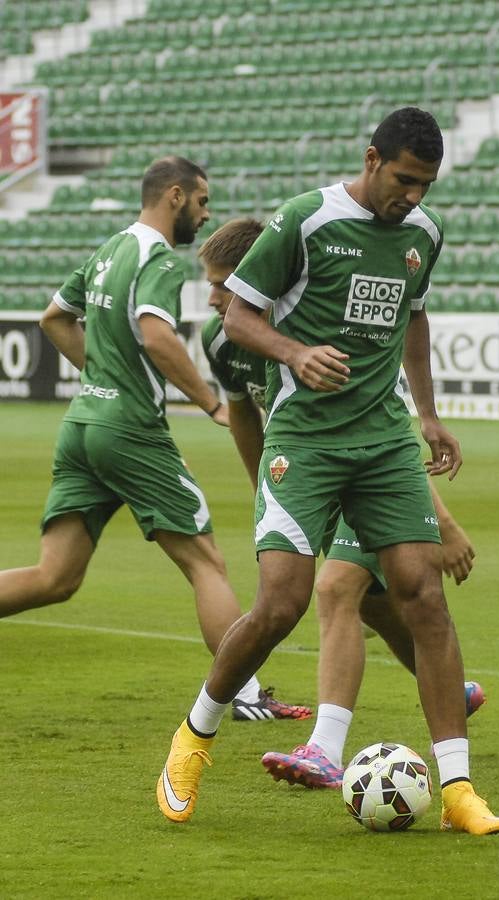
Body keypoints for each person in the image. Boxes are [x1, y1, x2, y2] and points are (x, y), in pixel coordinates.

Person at [157, 109, 499, 835]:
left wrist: (429, 413)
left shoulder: (424, 235)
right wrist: (295, 353)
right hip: (309, 440)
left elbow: (414, 316)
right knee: (281, 604)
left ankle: (457, 791)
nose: (413, 197)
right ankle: (193, 738)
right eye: (405, 180)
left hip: (382, 440)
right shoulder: (307, 220)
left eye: (426, 186)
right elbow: (239, 318)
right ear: (373, 158)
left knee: (423, 598)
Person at [0, 156, 310, 724]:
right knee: (206, 563)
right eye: (202, 201)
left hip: (82, 424)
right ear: (175, 196)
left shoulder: (109, 249)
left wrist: (103, 378)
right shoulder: (159, 258)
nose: (205, 213)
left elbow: (53, 318)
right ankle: (242, 695)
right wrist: (211, 404)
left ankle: (242, 691)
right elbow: (156, 336)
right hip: (129, 431)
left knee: (55, 577)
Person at [199, 216, 484, 788]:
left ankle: (325, 747)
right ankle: (452, 691)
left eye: (224, 284)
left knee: (336, 588)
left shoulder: (332, 333)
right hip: (307, 473)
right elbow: (243, 418)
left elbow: (388, 437)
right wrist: (273, 493)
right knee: (377, 604)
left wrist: (446, 526)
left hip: (371, 468)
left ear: (264, 278)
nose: (212, 298)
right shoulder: (223, 342)